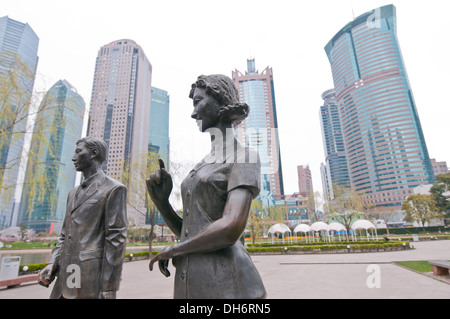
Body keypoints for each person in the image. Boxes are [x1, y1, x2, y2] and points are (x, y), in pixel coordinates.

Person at [146, 74, 266, 299]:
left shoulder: (244, 156)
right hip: (192, 284)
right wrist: (162, 203)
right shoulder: (201, 164)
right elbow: (192, 232)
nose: (193, 113)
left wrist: (173, 250)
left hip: (230, 286)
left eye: (198, 101)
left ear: (221, 101)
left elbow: (230, 228)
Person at [38, 137, 127, 299]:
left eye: (79, 152)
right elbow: (65, 235)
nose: (73, 157)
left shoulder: (113, 189)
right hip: (65, 277)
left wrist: (109, 287)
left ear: (94, 153)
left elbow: (116, 240)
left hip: (90, 279)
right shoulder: (72, 193)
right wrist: (52, 262)